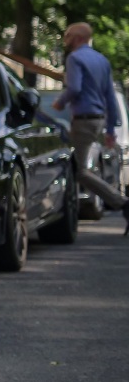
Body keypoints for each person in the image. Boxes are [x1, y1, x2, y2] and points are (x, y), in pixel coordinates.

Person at [52, 21, 129, 229]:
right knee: (81, 166)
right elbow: (110, 97)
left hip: (83, 120)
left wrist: (60, 102)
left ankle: (121, 203)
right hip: (98, 120)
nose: (65, 41)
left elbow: (74, 88)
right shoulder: (102, 60)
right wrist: (111, 128)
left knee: (79, 170)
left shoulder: (75, 58)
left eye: (67, 37)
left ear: (77, 38)